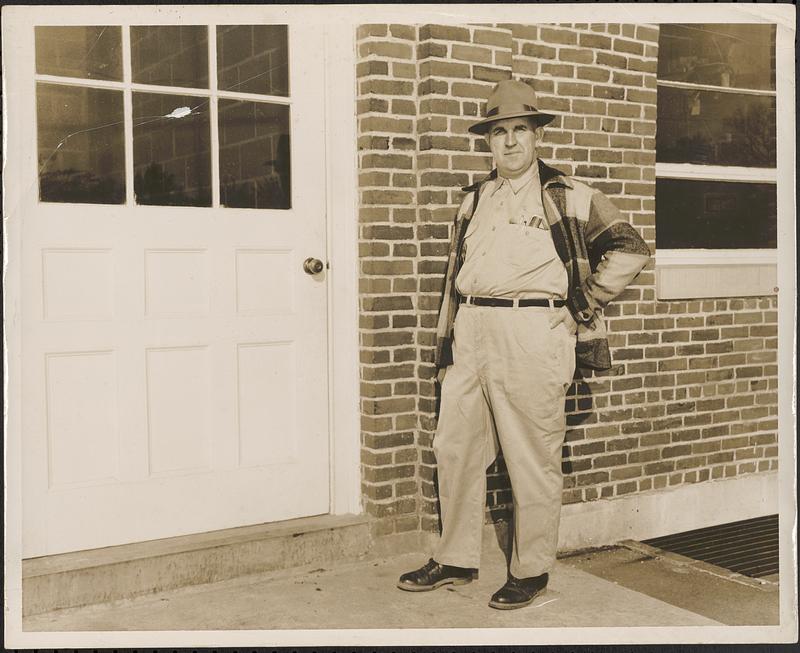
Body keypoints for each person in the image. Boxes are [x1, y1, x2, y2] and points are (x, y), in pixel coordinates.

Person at [397, 79, 651, 609]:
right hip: (472, 332)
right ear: (487, 142)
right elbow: (455, 279)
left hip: (533, 334)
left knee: (531, 457)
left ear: (537, 136)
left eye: (520, 130)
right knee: (455, 448)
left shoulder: (569, 195)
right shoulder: (474, 199)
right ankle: (455, 558)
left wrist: (585, 304)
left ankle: (531, 571)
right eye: (499, 132)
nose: (509, 142)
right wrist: (450, 345)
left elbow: (630, 247)